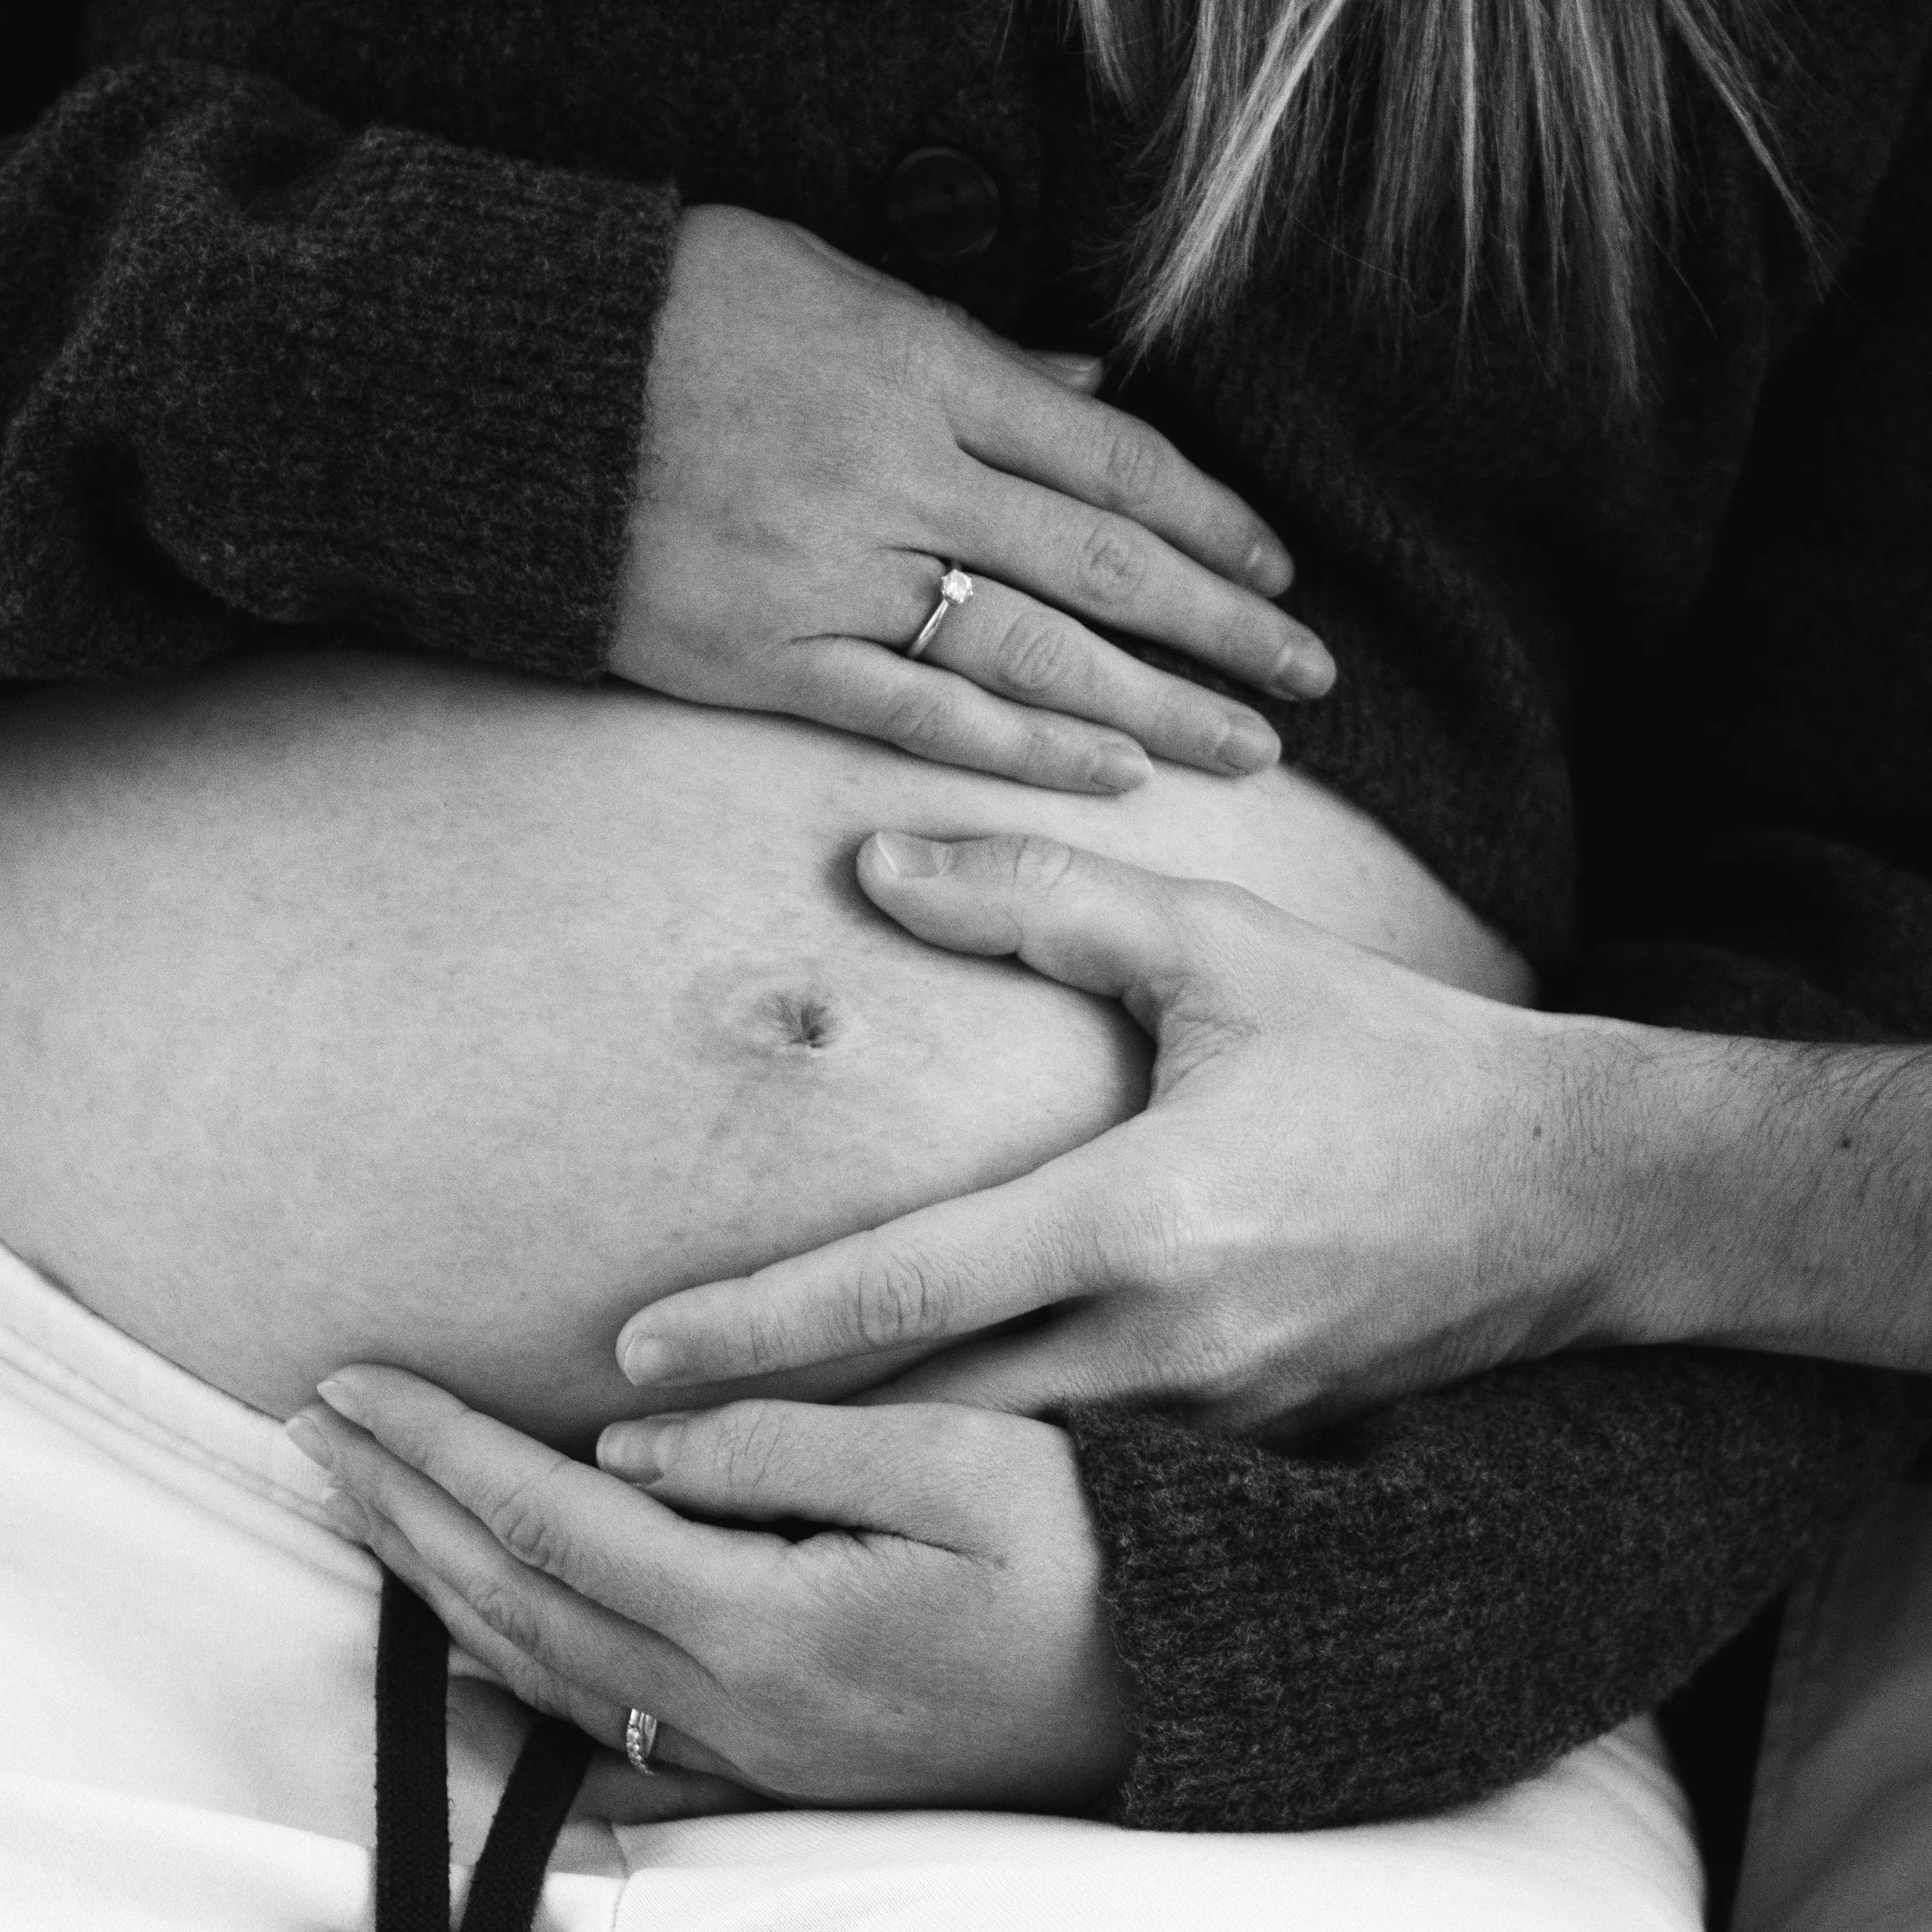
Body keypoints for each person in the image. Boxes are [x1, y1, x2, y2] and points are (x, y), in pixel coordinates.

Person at [2, 0, 1929, 1919]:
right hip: (76, 1444)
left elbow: (1859, 972)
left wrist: (1303, 1617)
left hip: (1187, 1706)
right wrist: (433, 362)